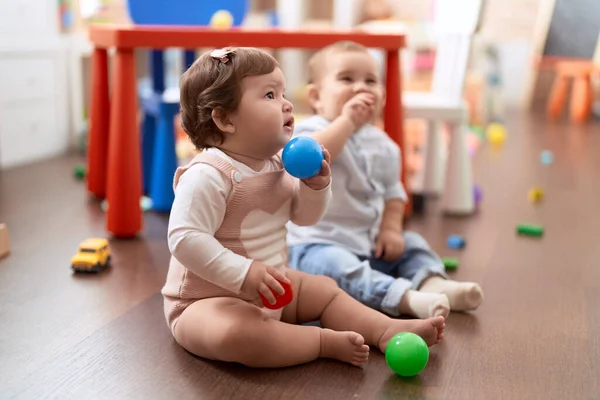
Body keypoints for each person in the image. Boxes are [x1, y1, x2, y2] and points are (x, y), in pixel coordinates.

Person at [161, 47, 445, 369]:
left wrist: (315, 186)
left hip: (271, 287)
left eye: (283, 92)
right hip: (206, 302)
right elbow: (185, 238)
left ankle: (385, 328)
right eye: (269, 94)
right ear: (225, 119)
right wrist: (243, 273)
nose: (287, 104)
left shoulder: (279, 165)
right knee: (237, 334)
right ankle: (320, 342)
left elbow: (304, 218)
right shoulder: (209, 173)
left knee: (324, 290)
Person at [287, 41, 484, 320]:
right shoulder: (309, 130)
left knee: (412, 242)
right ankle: (403, 298)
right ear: (316, 97)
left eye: (371, 80)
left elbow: (394, 194)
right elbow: (309, 162)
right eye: (347, 79)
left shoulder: (385, 145)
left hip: (370, 244)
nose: (361, 87)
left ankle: (433, 282)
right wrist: (347, 122)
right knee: (335, 266)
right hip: (315, 246)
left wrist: (390, 230)